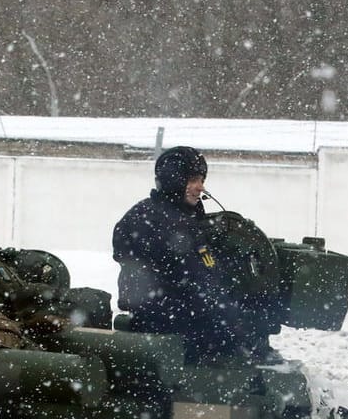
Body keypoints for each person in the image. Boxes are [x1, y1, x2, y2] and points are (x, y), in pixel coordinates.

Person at [112, 145, 276, 360]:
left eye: (202, 180)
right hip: (177, 332)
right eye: (193, 180)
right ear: (174, 180)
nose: (200, 188)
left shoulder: (155, 214)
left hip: (163, 324)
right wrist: (238, 326)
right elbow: (201, 284)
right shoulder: (171, 224)